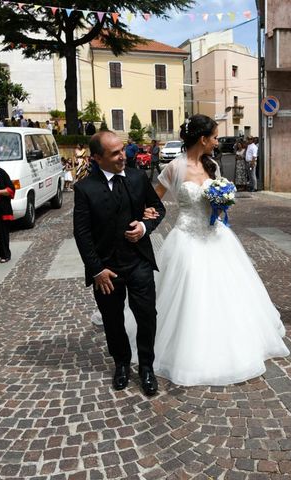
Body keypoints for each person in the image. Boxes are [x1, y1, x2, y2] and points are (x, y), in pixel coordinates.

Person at [137, 114, 289, 386]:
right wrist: (143, 218)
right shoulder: (174, 168)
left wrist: (222, 202)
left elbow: (217, 199)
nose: (218, 142)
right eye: (216, 137)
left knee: (228, 292)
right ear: (203, 139)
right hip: (186, 238)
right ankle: (188, 349)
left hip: (216, 235)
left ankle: (229, 343)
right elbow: (154, 200)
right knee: (189, 293)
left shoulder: (213, 166)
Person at [73, 131, 166, 396]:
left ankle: (146, 367)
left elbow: (158, 208)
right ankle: (122, 363)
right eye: (114, 153)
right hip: (107, 269)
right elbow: (82, 234)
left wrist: (145, 226)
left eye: (122, 150)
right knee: (113, 321)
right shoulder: (84, 189)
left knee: (147, 316)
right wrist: (97, 270)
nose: (122, 156)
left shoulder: (138, 177)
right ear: (97, 158)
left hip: (139, 262)